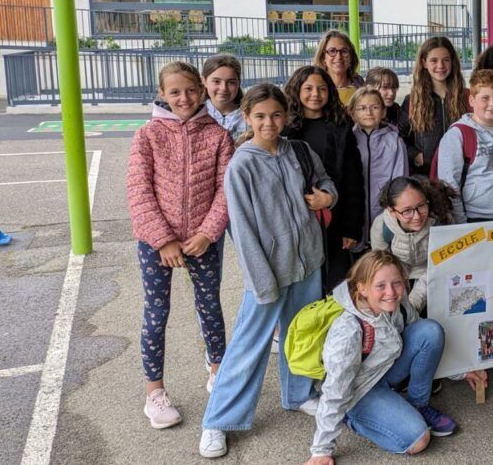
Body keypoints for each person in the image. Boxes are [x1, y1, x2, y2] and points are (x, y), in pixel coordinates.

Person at [199, 84, 337, 459]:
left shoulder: (300, 151)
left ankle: (299, 394)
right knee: (248, 346)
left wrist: (328, 196)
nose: (269, 123)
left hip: (307, 263)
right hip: (269, 272)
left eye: (276, 115)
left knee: (301, 334)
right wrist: (261, 281)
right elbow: (241, 231)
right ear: (247, 118)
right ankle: (218, 420)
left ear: (287, 116)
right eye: (260, 116)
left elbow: (324, 183)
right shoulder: (242, 164)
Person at [128, 61, 233, 429]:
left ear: (201, 91)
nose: (183, 98)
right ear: (162, 94)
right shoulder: (147, 135)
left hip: (203, 242)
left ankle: (217, 370)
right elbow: (139, 191)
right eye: (174, 92)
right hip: (157, 245)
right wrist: (163, 239)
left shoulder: (219, 136)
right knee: (156, 314)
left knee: (210, 306)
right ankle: (154, 392)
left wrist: (208, 233)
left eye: (190, 90)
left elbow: (225, 191)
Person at [305, 251, 486, 463]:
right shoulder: (348, 331)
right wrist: (321, 450)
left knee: (429, 330)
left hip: (385, 372)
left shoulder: (398, 304)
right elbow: (335, 390)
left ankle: (419, 404)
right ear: (361, 288)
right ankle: (353, 419)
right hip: (358, 391)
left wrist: (461, 372)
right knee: (418, 440)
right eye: (380, 286)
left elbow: (423, 342)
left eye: (397, 283)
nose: (391, 292)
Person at [283, 65, 366, 291]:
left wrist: (351, 227)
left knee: (335, 285)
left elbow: (353, 179)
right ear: (297, 91)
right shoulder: (285, 129)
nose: (315, 94)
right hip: (297, 221)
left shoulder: (341, 127)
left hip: (335, 220)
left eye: (321, 89)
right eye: (308, 88)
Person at [434, 69, 493, 224]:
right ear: (471, 100)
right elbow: (449, 184)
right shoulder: (458, 134)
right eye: (485, 98)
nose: (492, 104)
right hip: (471, 218)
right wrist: (461, 222)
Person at [370, 176, 457, 314]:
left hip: (433, 277)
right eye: (407, 211)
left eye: (421, 206)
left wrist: (412, 305)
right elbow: (383, 267)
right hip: (398, 278)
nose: (416, 216)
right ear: (392, 211)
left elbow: (438, 265)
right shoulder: (381, 226)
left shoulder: (441, 220)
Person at [399, 37, 468, 176]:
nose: (440, 65)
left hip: (462, 174)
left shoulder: (466, 97)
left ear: (452, 62)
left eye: (446, 60)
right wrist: (416, 156)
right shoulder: (413, 100)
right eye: (434, 60)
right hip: (426, 175)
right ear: (424, 63)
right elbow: (399, 136)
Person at [349, 87, 409, 247]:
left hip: (384, 212)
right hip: (356, 215)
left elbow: (400, 180)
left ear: (383, 112)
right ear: (352, 113)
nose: (368, 112)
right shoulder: (348, 140)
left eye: (375, 107)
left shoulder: (394, 141)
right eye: (362, 108)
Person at [202, 54, 247, 142]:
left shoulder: (250, 114)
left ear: (239, 83)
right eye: (216, 81)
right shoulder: (196, 114)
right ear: (204, 81)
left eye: (231, 82)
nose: (223, 88)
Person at [313, 29, 364, 107]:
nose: (339, 57)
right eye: (332, 51)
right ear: (323, 57)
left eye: (344, 51)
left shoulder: (361, 86)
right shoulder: (314, 88)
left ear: (351, 57)